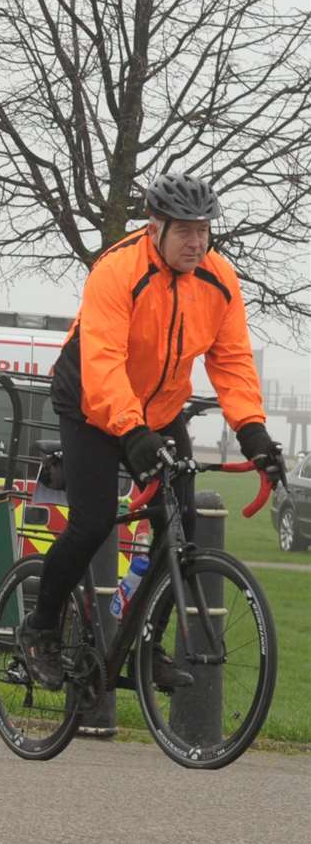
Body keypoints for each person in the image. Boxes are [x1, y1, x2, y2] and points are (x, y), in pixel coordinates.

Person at [17, 171, 286, 692]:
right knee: (94, 521)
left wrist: (253, 432)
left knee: (180, 521)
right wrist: (131, 433)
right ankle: (40, 629)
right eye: (185, 231)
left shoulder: (218, 280)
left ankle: (146, 642)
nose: (197, 242)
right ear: (155, 227)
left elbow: (230, 362)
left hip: (159, 409)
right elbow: (103, 363)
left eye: (204, 230)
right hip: (90, 404)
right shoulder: (117, 271)